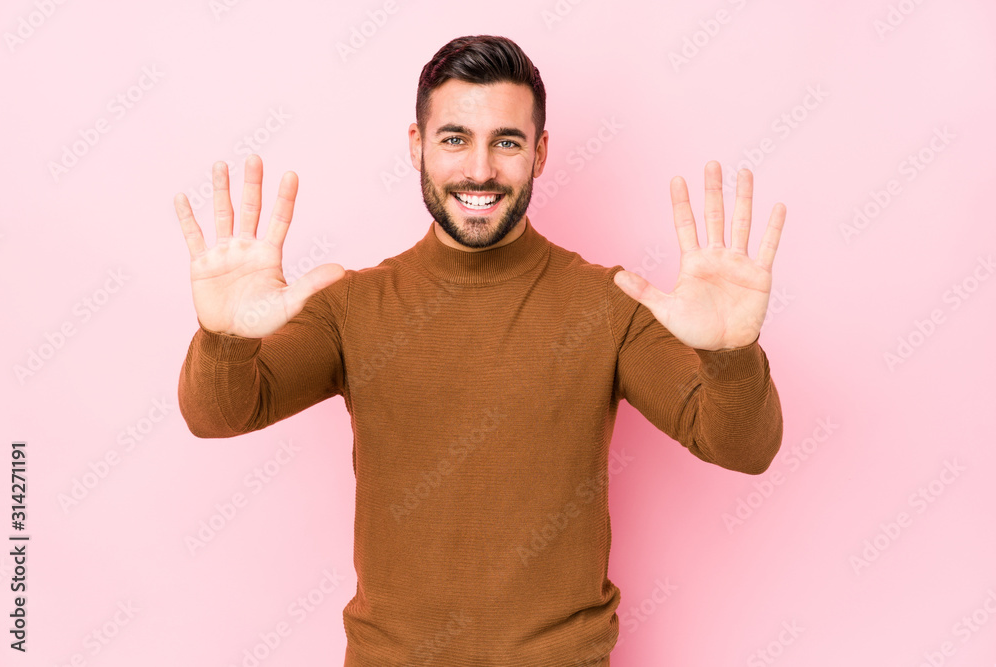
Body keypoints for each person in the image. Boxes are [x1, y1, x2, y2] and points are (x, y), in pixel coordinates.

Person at [173, 34, 786, 667]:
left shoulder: (610, 305)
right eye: (455, 138)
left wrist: (731, 353)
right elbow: (219, 414)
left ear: (540, 153)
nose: (480, 170)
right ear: (417, 146)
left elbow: (744, 447)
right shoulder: (350, 306)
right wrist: (225, 337)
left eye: (507, 141)